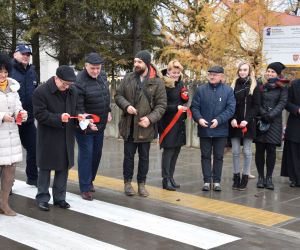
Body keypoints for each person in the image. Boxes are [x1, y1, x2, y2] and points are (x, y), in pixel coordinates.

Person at [115, 50, 167, 197]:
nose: (136, 64)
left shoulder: (157, 82)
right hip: (129, 126)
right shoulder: (128, 78)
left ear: (147, 63)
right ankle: (127, 183)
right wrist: (126, 106)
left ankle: (142, 184)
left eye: (139, 62)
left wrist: (150, 119)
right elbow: (118, 95)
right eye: (135, 61)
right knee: (128, 157)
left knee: (144, 158)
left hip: (146, 128)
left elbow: (161, 105)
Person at [33, 65, 80, 211]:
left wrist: (82, 118)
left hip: (66, 134)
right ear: (56, 78)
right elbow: (39, 114)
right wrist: (58, 118)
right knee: (45, 168)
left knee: (63, 167)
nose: (66, 87)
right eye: (64, 83)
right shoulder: (41, 91)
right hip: (48, 135)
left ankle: (60, 198)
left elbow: (76, 109)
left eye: (69, 84)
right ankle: (42, 198)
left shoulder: (73, 91)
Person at [191, 66, 235, 192]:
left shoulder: (228, 91)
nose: (211, 76)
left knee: (218, 156)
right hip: (204, 129)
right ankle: (206, 181)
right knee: (205, 155)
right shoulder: (201, 90)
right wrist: (199, 119)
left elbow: (231, 109)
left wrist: (219, 120)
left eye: (215, 74)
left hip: (221, 130)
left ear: (221, 76)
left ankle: (216, 181)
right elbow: (194, 107)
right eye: (210, 74)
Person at [75, 52, 111, 201]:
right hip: (84, 126)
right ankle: (85, 187)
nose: (95, 71)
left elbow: (105, 96)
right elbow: (78, 107)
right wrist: (88, 122)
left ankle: (90, 181)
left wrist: (108, 110)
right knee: (86, 155)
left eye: (98, 68)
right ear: (86, 66)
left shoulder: (102, 76)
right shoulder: (80, 81)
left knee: (96, 154)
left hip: (100, 125)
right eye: (92, 68)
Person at [0, 52, 27, 216]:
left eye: (5, 71)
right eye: (0, 72)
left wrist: (22, 113)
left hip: (11, 136)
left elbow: (18, 105)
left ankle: (4, 204)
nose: (3, 75)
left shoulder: (13, 86)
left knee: (10, 174)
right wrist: (2, 116)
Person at [254, 62, 288, 190]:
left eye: (272, 72)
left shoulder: (283, 87)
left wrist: (270, 115)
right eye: (268, 71)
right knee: (259, 150)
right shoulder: (260, 84)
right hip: (261, 120)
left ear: (278, 74)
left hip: (274, 122)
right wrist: (264, 114)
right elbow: (257, 101)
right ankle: (261, 177)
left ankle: (269, 178)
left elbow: (282, 103)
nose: (269, 73)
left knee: (271, 150)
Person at [9, 44, 38, 186]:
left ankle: (33, 178)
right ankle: (7, 185)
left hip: (28, 119)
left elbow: (36, 92)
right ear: (15, 54)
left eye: (28, 54)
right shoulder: (7, 70)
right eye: (23, 53)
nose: (26, 56)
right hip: (10, 121)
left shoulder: (32, 71)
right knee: (9, 155)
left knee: (35, 147)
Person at [229, 62, 260, 191]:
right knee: (235, 151)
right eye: (240, 70)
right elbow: (230, 104)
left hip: (248, 123)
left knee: (247, 151)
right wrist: (233, 118)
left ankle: (245, 176)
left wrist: (247, 120)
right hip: (234, 123)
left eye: (245, 70)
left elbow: (256, 106)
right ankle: (236, 176)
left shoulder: (254, 86)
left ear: (249, 71)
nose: (242, 72)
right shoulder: (232, 86)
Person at [158, 60, 188, 191]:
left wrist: (185, 99)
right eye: (173, 72)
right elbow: (161, 105)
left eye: (178, 72)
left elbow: (183, 98)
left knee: (176, 151)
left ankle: (171, 177)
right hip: (168, 123)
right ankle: (165, 179)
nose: (176, 74)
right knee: (168, 152)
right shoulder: (163, 84)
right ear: (168, 71)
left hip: (179, 122)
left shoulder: (180, 83)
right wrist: (177, 107)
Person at [281, 78, 300, 187]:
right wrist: (297, 109)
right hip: (295, 124)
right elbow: (286, 102)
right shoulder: (295, 84)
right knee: (294, 153)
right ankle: (295, 179)